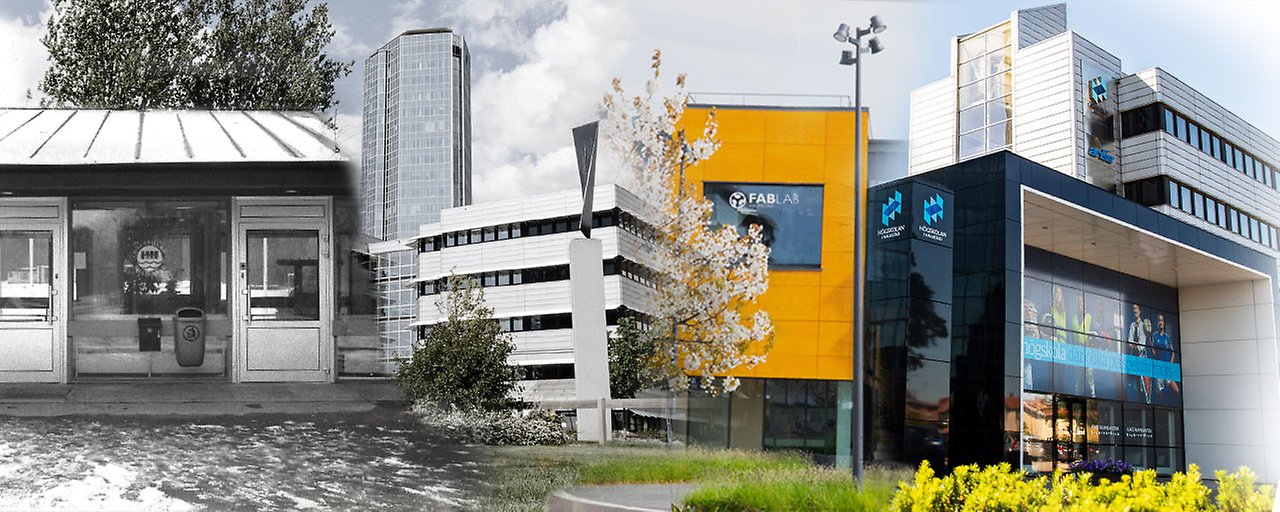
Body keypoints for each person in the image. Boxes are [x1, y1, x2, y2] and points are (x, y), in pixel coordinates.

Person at [1128, 303, 1151, 404]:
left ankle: (1146, 400)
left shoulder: (1143, 325)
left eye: (1136, 309)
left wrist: (1136, 345)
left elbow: (1142, 343)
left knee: (1144, 382)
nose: (1135, 311)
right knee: (1137, 382)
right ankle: (1139, 400)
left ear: (1139, 311)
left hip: (1142, 357)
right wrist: (1134, 345)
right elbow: (1129, 341)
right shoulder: (1132, 325)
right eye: (1133, 309)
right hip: (1135, 356)